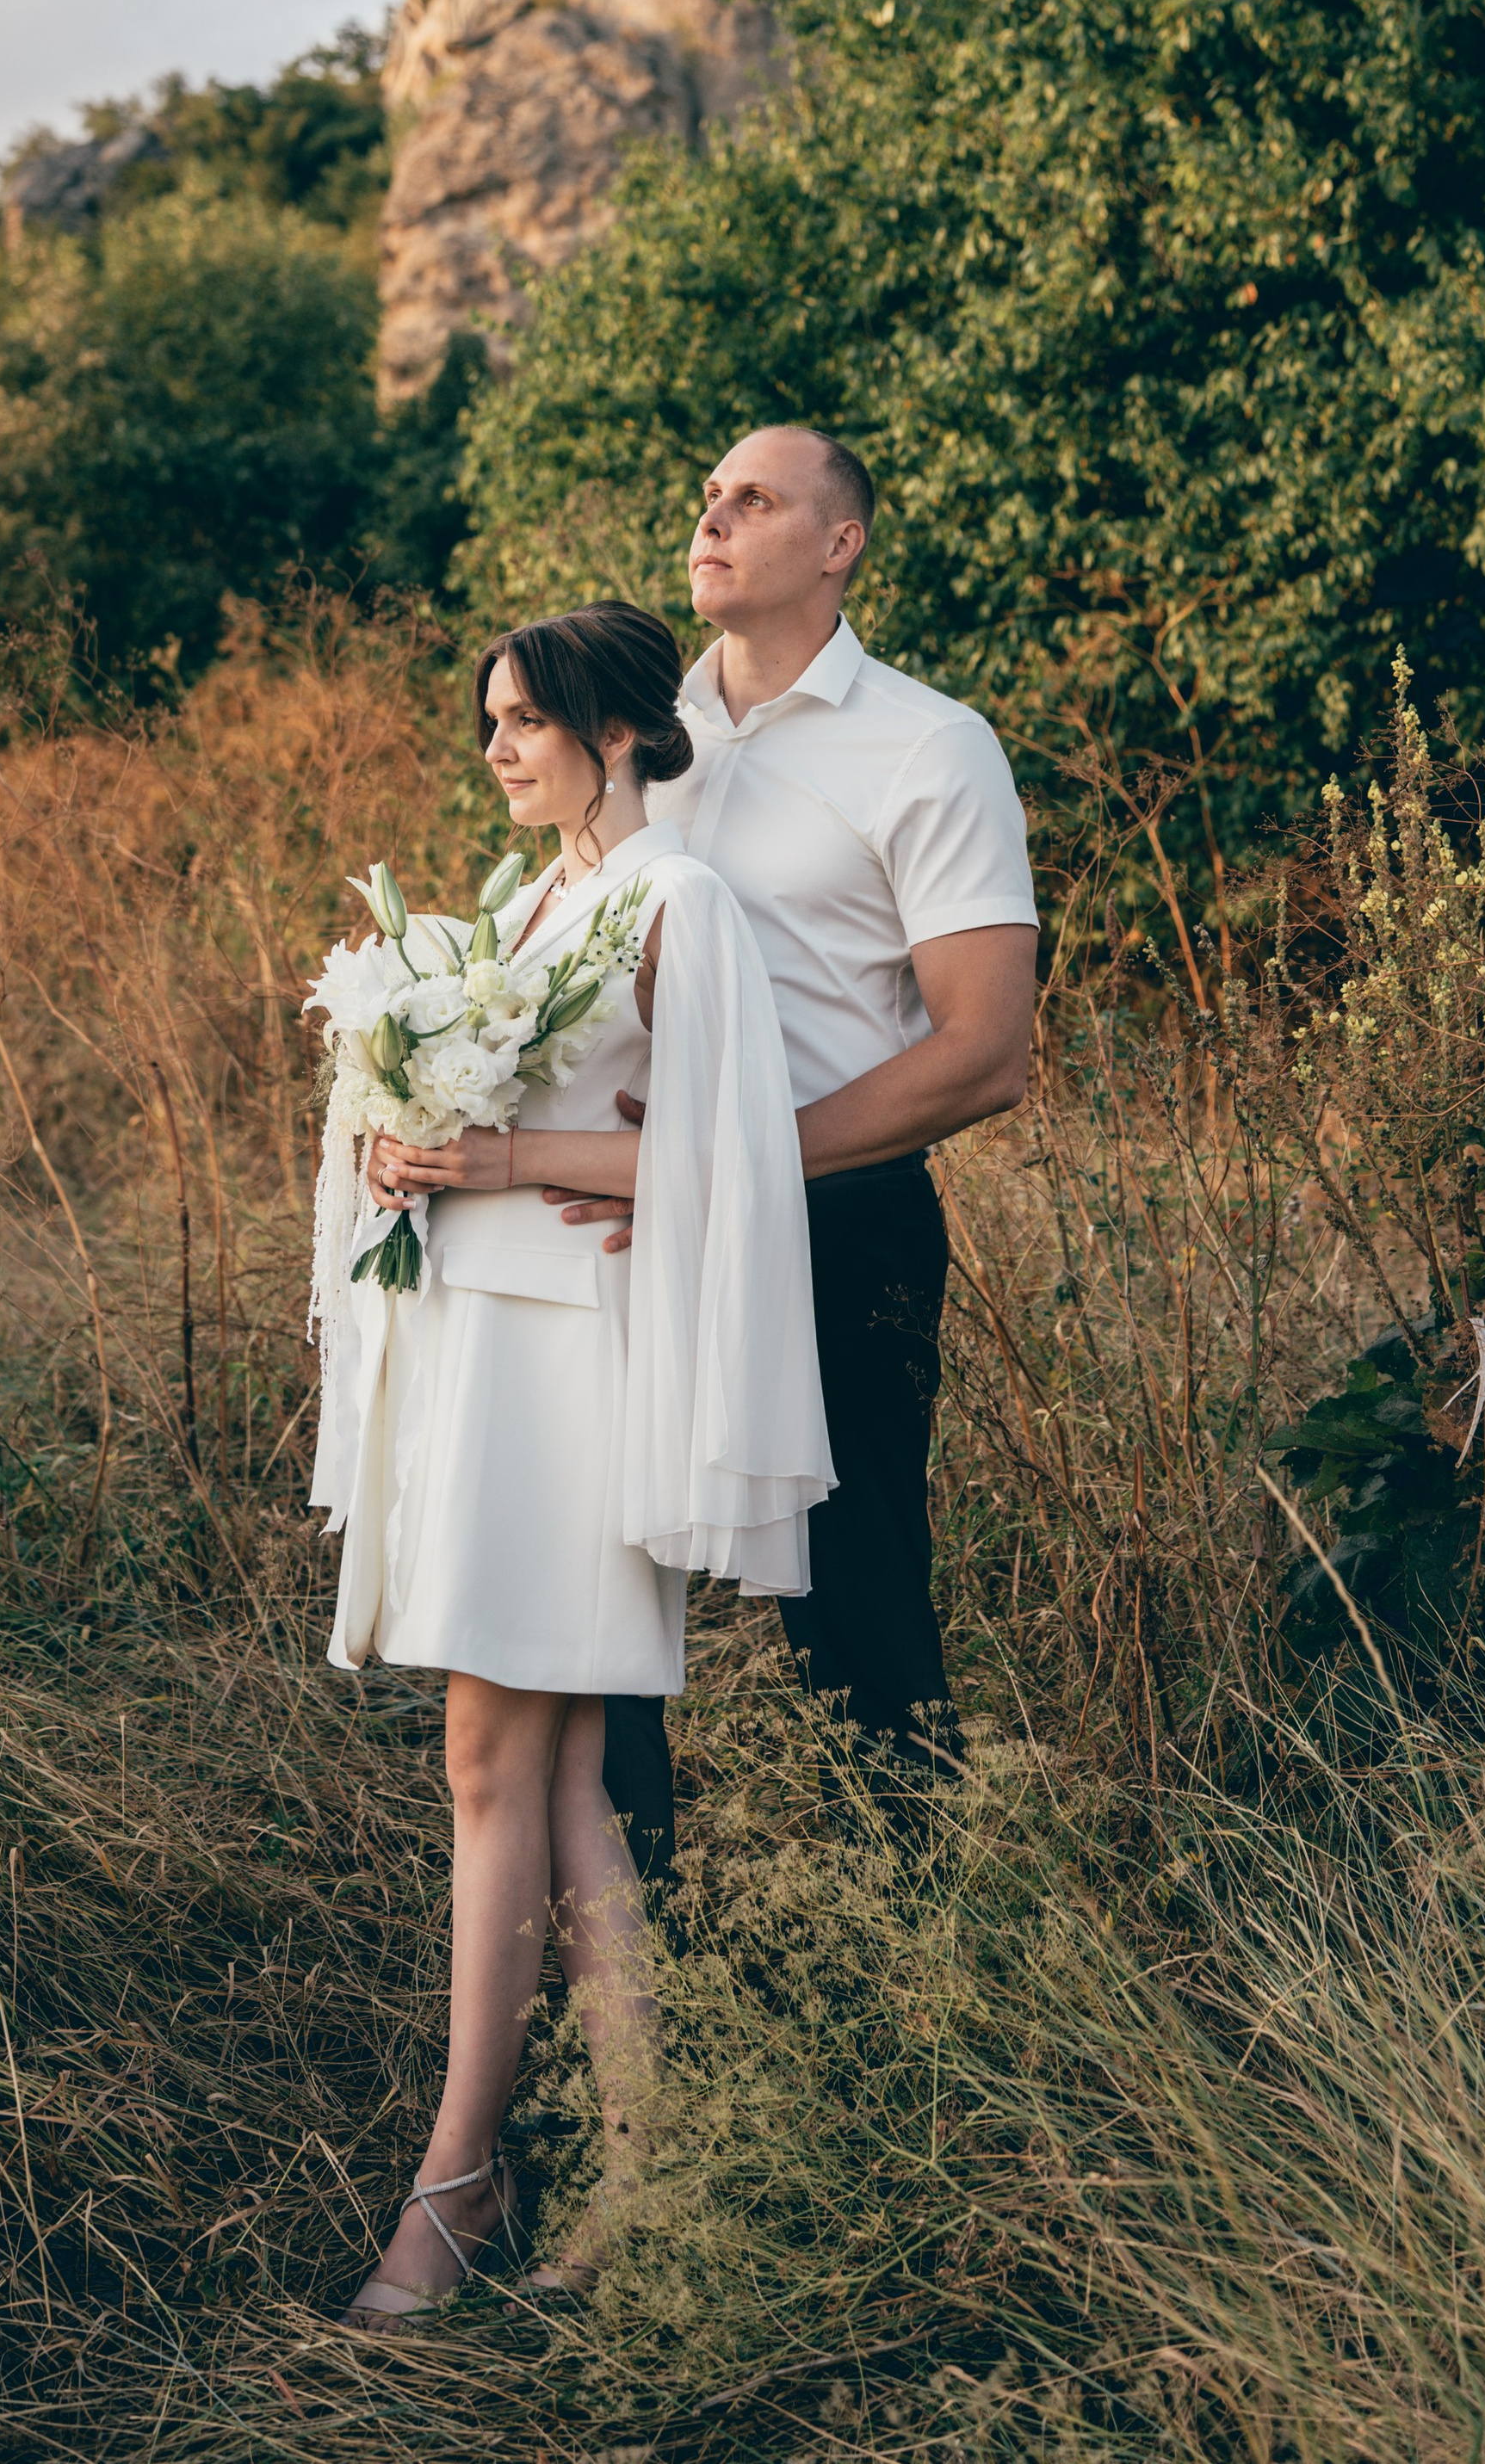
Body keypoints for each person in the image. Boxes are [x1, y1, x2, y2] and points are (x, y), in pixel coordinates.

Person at [307, 600, 833, 2328]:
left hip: (573, 1371)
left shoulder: (677, 899)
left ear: (615, 730)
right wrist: (403, 1150)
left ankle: (454, 2183)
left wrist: (508, 1157)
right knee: (566, 1784)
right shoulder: (530, 908)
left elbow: (728, 1154)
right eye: (488, 724)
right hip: (483, 1354)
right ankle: (629, 2178)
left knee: (489, 1764)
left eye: (523, 721)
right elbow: (522, 1139)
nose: (496, 750)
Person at [541, 432, 1037, 1880]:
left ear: (840, 544)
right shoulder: (637, 736)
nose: (712, 518)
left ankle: (916, 1936)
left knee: (856, 1592)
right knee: (603, 1585)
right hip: (628, 1219)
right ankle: (634, 1953)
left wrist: (736, 1165)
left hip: (836, 1217)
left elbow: (986, 1050)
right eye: (707, 497)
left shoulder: (929, 744)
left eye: (751, 500)